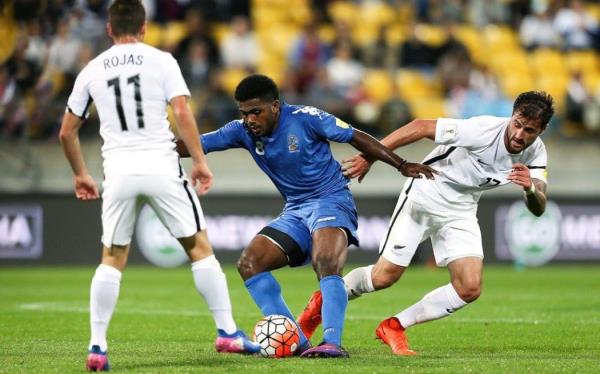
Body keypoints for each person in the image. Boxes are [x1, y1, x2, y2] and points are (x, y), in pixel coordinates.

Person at [58, 1, 259, 371]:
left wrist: (80, 174)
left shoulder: (91, 70)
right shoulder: (162, 60)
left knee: (112, 258)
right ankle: (227, 332)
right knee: (199, 247)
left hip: (117, 171)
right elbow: (181, 112)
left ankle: (97, 347)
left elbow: (67, 132)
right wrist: (199, 160)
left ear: (109, 29)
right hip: (161, 166)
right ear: (145, 26)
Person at [177, 74, 437, 358]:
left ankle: (332, 342)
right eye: (244, 113)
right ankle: (299, 341)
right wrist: (150, 149)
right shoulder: (241, 131)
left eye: (256, 112)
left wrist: (399, 164)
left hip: (331, 200)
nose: (250, 119)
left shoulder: (306, 118)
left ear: (275, 106)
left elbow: (356, 136)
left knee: (325, 261)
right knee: (250, 263)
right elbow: (195, 143)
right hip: (296, 209)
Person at [297, 91, 554, 355]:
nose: (519, 135)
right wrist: (370, 156)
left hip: (462, 207)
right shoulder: (482, 130)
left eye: (530, 130)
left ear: (542, 130)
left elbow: (539, 206)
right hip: (426, 193)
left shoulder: (536, 153)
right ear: (512, 117)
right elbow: (420, 126)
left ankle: (394, 326)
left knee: (470, 287)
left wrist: (530, 190)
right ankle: (319, 304)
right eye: (517, 125)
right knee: (384, 277)